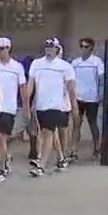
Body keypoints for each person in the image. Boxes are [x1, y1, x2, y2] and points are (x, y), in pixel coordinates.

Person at [23, 37, 77, 177]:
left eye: (51, 47)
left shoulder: (65, 66)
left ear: (57, 49)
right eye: (47, 47)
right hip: (41, 105)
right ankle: (61, 158)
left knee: (47, 132)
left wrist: (74, 107)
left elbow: (71, 89)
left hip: (57, 105)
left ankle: (41, 164)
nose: (49, 50)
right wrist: (27, 103)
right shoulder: (37, 64)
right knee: (49, 133)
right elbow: (31, 84)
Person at [0, 37, 26, 181]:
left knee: (2, 138)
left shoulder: (17, 67)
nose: (0, 52)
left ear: (9, 49)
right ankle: (4, 157)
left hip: (9, 108)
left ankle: (1, 170)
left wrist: (26, 106)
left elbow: (22, 88)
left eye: (3, 48)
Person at [70, 37, 105, 161]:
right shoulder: (75, 63)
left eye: (86, 47)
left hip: (92, 98)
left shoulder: (97, 62)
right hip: (78, 97)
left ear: (91, 48)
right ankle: (73, 150)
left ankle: (97, 148)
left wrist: (100, 94)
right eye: (82, 47)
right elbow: (71, 80)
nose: (84, 49)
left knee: (93, 124)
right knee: (76, 124)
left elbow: (101, 80)